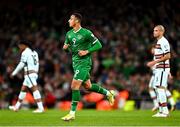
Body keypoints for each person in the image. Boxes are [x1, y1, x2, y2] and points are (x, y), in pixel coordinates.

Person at [61, 13, 115, 121]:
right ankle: (108, 93)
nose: (68, 20)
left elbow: (99, 45)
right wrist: (65, 48)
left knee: (74, 86)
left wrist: (87, 51)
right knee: (88, 87)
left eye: (71, 19)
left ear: (76, 21)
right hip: (75, 63)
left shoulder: (86, 33)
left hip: (84, 63)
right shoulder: (69, 34)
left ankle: (72, 113)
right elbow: (67, 49)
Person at [9, 40, 44, 113]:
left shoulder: (25, 52)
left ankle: (41, 108)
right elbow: (37, 64)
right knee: (23, 90)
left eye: (20, 46)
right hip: (33, 73)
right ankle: (16, 107)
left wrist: (13, 73)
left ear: (24, 45)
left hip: (29, 74)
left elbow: (21, 64)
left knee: (34, 89)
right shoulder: (34, 52)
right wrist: (36, 73)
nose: (19, 47)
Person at [147, 25, 171, 117]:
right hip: (159, 68)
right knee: (157, 89)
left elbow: (168, 56)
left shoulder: (163, 42)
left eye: (156, 31)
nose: (154, 32)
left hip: (162, 68)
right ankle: (161, 111)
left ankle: (165, 111)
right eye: (154, 30)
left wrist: (154, 62)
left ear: (161, 32)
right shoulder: (159, 42)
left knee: (160, 89)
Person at [148, 47, 175, 112]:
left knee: (157, 89)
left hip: (158, 75)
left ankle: (160, 106)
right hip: (159, 74)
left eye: (153, 49)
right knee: (162, 89)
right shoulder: (156, 56)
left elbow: (165, 63)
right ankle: (172, 103)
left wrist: (169, 73)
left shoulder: (160, 55)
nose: (151, 50)